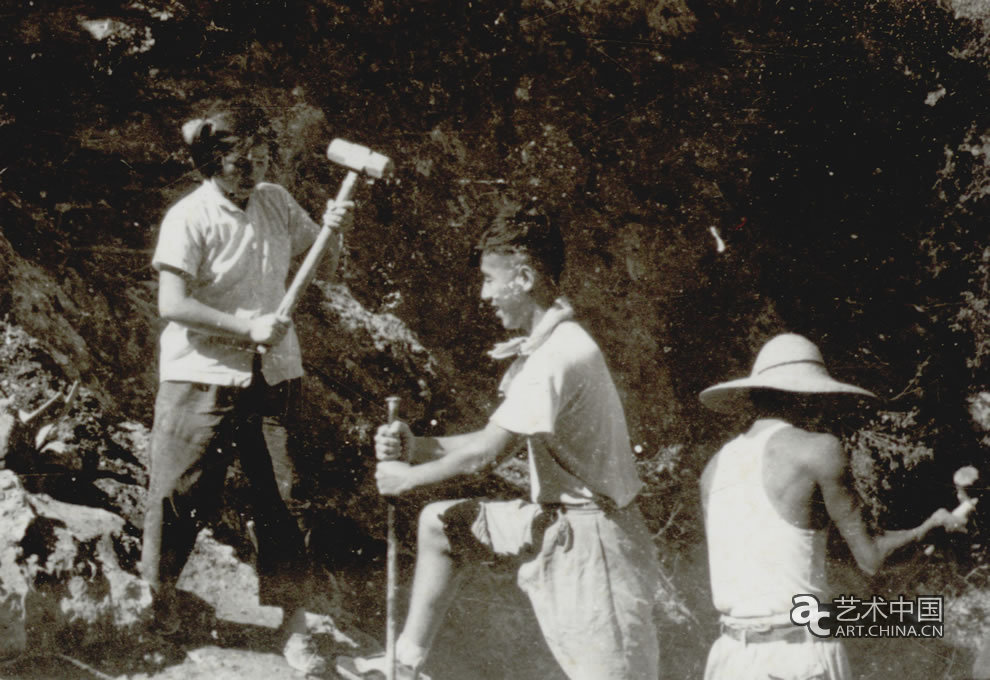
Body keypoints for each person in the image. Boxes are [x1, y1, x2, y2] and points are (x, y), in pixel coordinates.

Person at [345, 211, 660, 680]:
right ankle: (404, 663)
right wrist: (418, 446)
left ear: (525, 277)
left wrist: (406, 479)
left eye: (490, 280)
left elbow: (485, 456)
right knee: (442, 524)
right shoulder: (546, 345)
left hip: (596, 542)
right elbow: (493, 438)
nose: (484, 295)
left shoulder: (559, 354)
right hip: (557, 520)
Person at [139, 98, 353, 675]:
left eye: (260, 156)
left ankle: (294, 625)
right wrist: (244, 326)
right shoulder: (189, 216)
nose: (252, 169)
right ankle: (153, 605)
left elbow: (324, 268)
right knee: (176, 494)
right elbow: (173, 303)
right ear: (212, 162)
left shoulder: (277, 203)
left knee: (285, 501)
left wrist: (334, 230)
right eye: (239, 161)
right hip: (200, 373)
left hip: (275, 374)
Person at [698, 333, 967, 680]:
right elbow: (871, 559)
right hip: (797, 656)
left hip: (730, 657)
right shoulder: (818, 451)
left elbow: (782, 555)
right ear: (807, 398)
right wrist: (929, 529)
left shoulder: (714, 469)